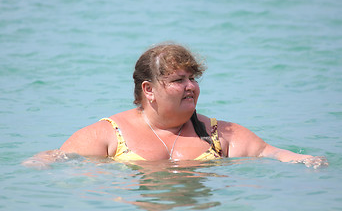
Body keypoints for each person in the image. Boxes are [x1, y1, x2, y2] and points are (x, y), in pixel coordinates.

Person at [23, 43, 328, 168]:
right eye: (178, 80)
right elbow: (59, 158)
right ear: (149, 89)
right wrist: (40, 162)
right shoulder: (110, 134)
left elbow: (267, 152)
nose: (191, 86)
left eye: (192, 78)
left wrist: (303, 160)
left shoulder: (219, 133)